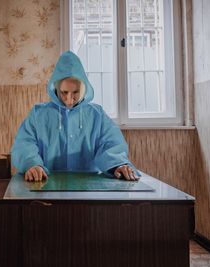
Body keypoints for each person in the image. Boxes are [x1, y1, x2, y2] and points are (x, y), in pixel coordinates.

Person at [11, 51, 140, 182]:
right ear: (56, 89)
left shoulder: (97, 115)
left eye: (75, 92)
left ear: (83, 89)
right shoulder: (38, 114)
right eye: (64, 92)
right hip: (47, 185)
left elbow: (111, 143)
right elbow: (24, 143)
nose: (69, 99)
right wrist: (32, 164)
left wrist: (118, 164)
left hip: (88, 188)